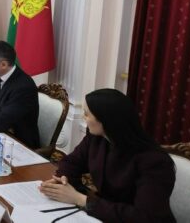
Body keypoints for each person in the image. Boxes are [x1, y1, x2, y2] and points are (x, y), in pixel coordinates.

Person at [39, 89, 176, 223]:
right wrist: (63, 180)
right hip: (104, 214)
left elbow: (144, 217)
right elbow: (71, 162)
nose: (83, 118)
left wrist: (80, 199)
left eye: (86, 114)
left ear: (106, 120)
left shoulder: (155, 161)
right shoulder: (97, 138)